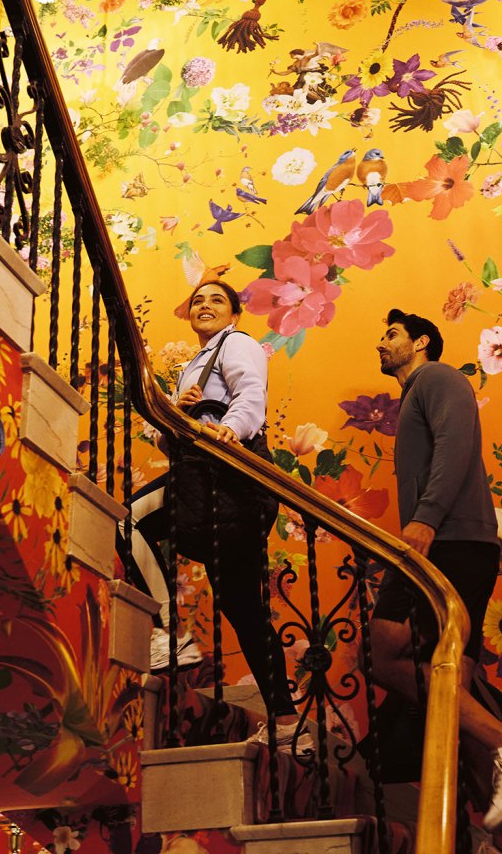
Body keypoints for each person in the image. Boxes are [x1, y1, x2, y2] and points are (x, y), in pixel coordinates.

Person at [369, 308, 502, 840]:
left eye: (391, 334)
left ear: (421, 342)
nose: (380, 343)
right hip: (462, 543)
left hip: (449, 540)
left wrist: (425, 519)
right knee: (454, 684)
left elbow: (456, 446)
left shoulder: (437, 377)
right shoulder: (418, 393)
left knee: (384, 652)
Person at [117, 281, 311, 752]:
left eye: (217, 300)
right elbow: (174, 440)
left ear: (234, 315)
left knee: (128, 523)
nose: (204, 305)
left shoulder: (237, 343)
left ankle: (167, 630)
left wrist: (229, 430)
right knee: (243, 608)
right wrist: (176, 415)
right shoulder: (195, 365)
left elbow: (250, 396)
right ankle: (288, 722)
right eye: (198, 300)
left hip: (222, 478)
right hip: (208, 483)